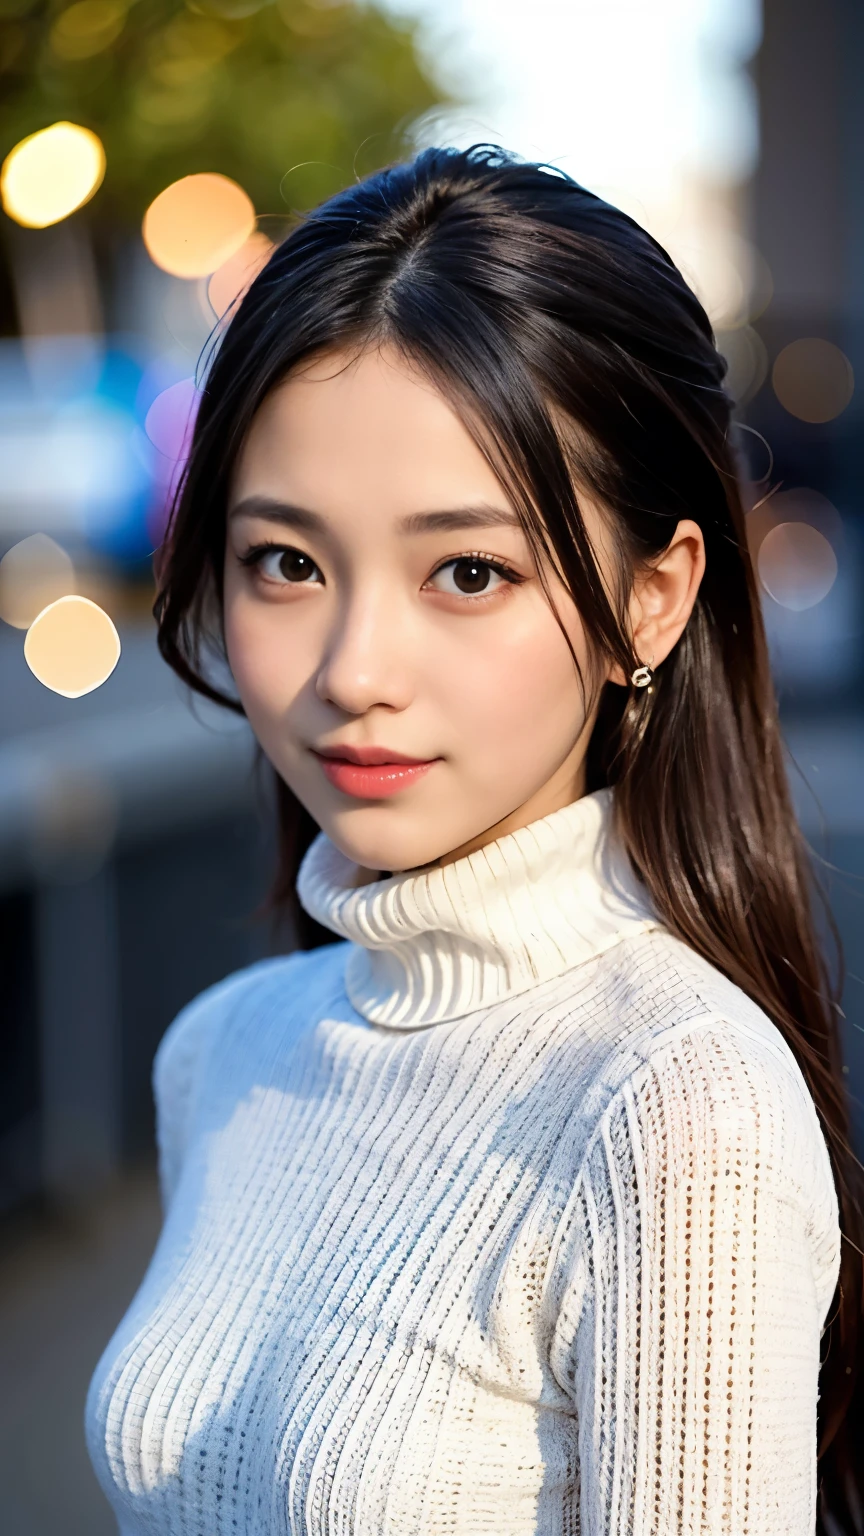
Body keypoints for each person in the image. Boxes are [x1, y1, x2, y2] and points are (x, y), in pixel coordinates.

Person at [85, 145, 863, 1534]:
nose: (354, 667)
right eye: (287, 562)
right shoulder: (224, 1052)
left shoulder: (676, 1111)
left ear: (654, 599)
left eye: (468, 571)